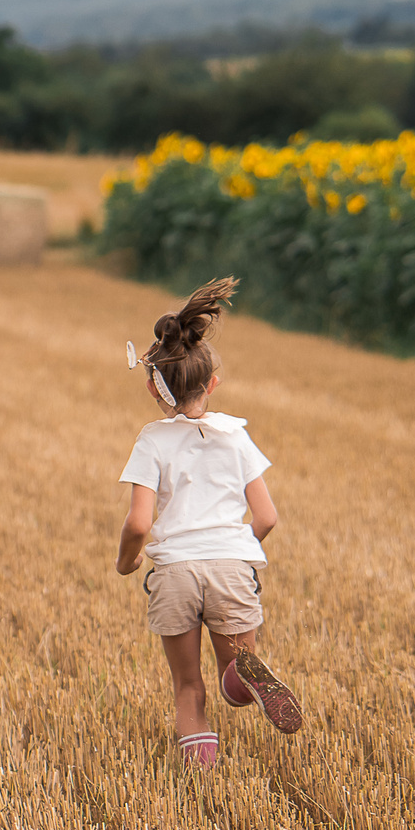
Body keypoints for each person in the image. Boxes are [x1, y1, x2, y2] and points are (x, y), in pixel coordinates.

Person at [114, 276, 302, 771]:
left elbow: (138, 522)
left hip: (176, 571)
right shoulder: (236, 437)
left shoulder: (152, 440)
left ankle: (204, 769)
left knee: (188, 685)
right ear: (213, 384)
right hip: (231, 566)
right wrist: (238, 547)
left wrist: (127, 561)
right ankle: (244, 679)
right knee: (232, 675)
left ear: (153, 389)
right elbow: (267, 517)